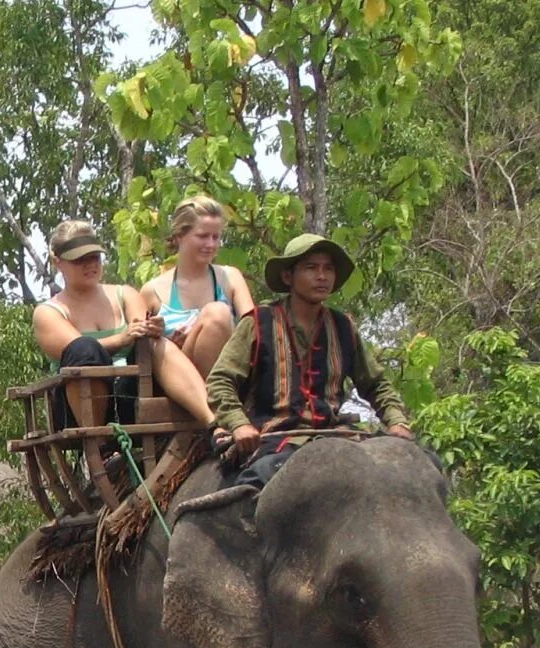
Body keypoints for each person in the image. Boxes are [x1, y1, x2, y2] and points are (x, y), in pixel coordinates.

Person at [207, 233, 413, 487]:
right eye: (311, 268)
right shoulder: (258, 323)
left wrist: (397, 421)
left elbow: (376, 383)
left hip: (335, 435)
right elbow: (220, 380)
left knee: (417, 466)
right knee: (258, 482)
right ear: (287, 276)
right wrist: (238, 425)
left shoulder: (343, 327)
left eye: (328, 268)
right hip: (274, 438)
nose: (322, 276)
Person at [31, 219, 216, 431]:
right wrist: (122, 338)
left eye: (94, 257)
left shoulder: (125, 294)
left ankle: (213, 420)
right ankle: (97, 443)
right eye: (79, 259)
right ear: (57, 262)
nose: (90, 264)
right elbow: (77, 351)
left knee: (154, 344)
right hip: (79, 408)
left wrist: (153, 329)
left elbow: (140, 331)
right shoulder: (48, 312)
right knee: (84, 348)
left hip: (133, 396)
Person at [140, 195, 255, 377]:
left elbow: (254, 331)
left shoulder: (230, 277)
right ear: (179, 236)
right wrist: (165, 340)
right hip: (179, 380)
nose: (211, 244)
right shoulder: (152, 291)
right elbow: (140, 350)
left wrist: (205, 333)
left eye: (216, 237)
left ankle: (217, 397)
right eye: (202, 236)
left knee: (217, 314)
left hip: (227, 375)